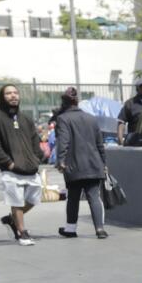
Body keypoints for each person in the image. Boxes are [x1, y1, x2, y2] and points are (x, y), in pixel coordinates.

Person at [0, 84, 43, 246]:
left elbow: (35, 140)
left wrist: (38, 158)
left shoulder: (26, 119)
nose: (13, 96)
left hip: (30, 167)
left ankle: (12, 220)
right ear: (2, 97)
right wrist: (7, 163)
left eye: (15, 93)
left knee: (35, 197)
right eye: (9, 93)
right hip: (10, 169)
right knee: (16, 200)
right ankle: (22, 232)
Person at [50, 87, 109, 240]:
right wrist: (103, 163)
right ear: (77, 101)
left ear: (64, 102)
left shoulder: (63, 119)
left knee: (73, 197)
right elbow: (100, 144)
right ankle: (100, 228)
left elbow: (64, 141)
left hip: (73, 165)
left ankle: (70, 229)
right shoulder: (91, 118)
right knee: (94, 197)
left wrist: (61, 160)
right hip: (93, 164)